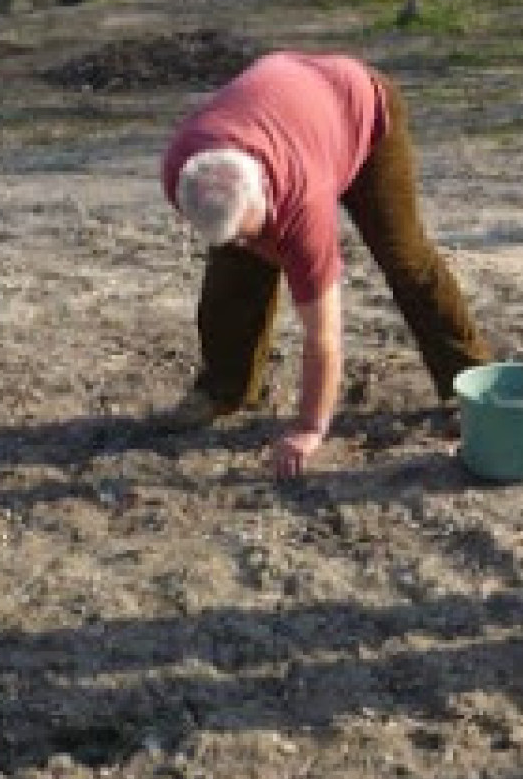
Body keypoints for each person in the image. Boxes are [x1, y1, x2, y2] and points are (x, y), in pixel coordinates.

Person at [161, 51, 494, 480]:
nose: (251, 244)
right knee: (233, 272)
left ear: (265, 190)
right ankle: (225, 388)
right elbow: (236, 232)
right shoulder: (184, 170)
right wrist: (249, 242)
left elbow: (323, 337)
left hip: (361, 108)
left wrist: (309, 428)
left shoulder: (304, 203)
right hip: (294, 113)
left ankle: (470, 384)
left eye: (253, 230)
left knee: (405, 258)